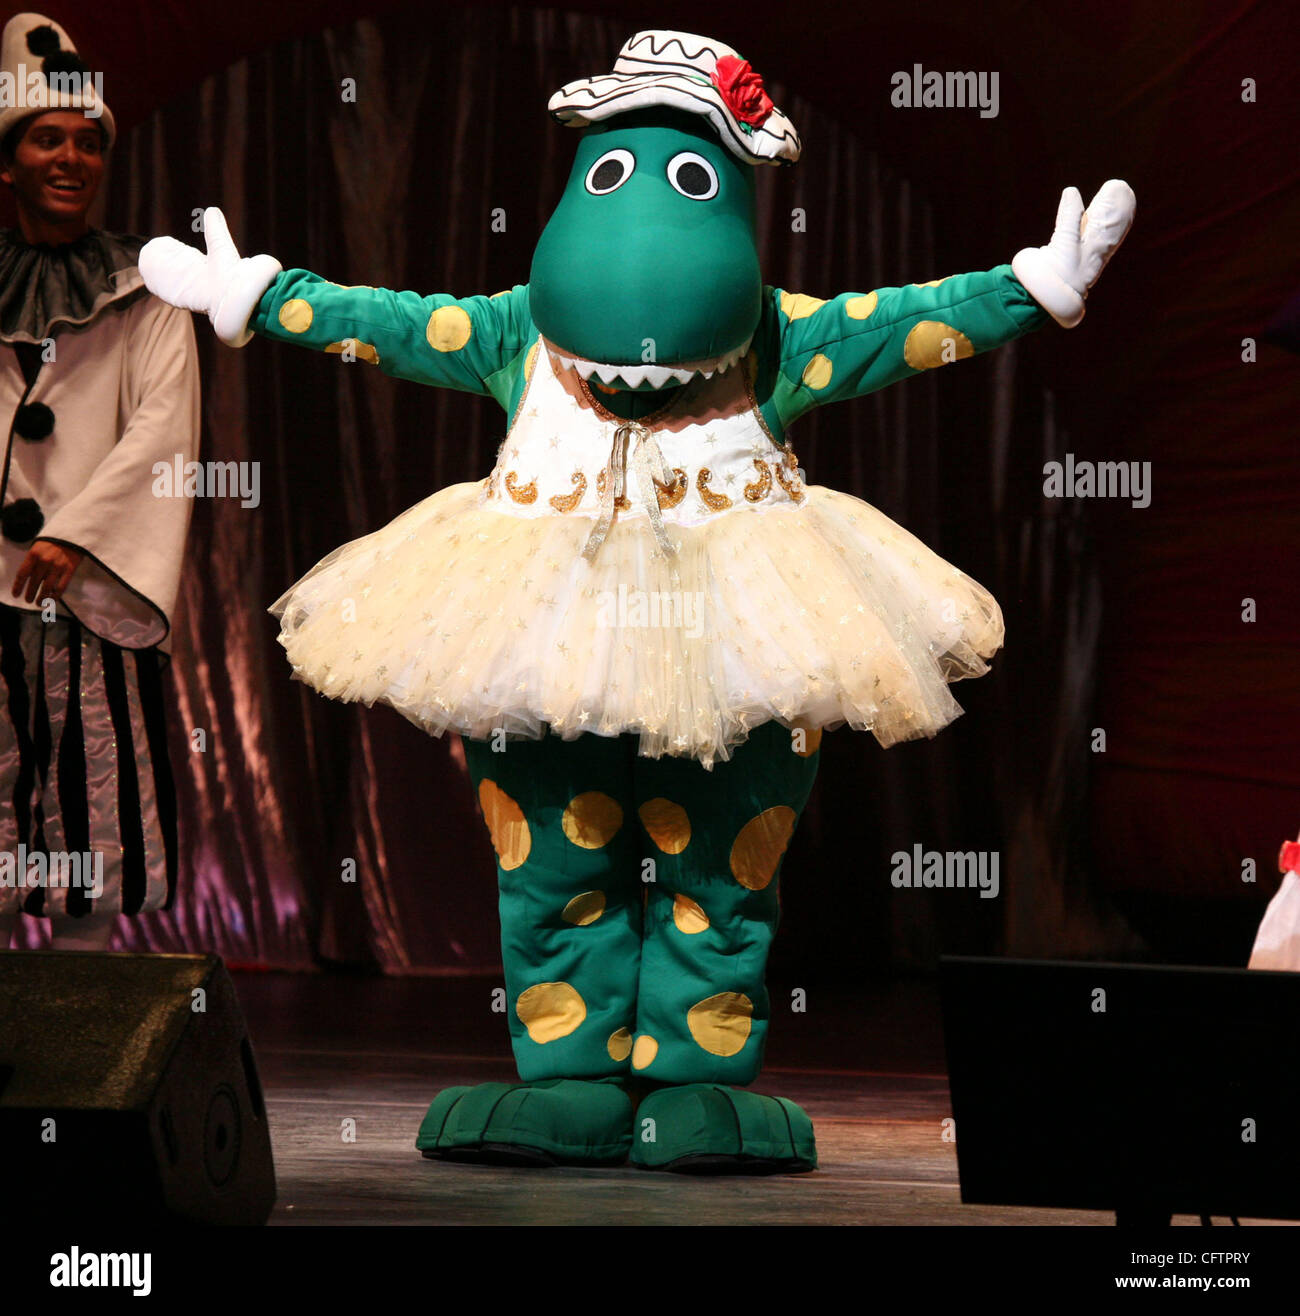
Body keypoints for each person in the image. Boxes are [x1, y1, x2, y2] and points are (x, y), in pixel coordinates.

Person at [140, 29, 1134, 1170]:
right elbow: (397, 323)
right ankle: (568, 1074)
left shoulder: (775, 337)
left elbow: (896, 326)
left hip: (744, 631)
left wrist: (1025, 290)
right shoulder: (517, 333)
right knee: (554, 855)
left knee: (720, 859)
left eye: (689, 177)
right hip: (541, 628)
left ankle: (696, 1078)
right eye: (614, 174)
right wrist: (265, 297)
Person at [0, 13, 200, 951]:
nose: (70, 158)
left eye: (88, 142)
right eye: (48, 139)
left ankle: (79, 1036)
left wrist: (77, 532)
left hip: (82, 592)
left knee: (91, 809)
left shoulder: (149, 289)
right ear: (11, 161)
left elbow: (164, 429)